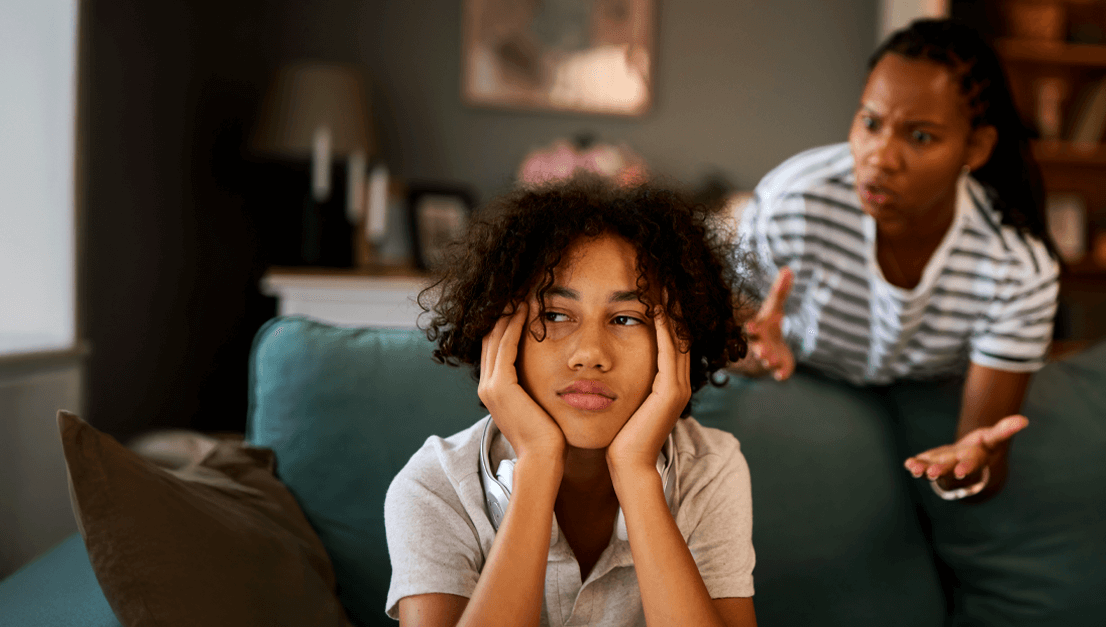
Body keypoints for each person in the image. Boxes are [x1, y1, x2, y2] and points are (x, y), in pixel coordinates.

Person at [384, 178, 758, 626]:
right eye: (556, 315)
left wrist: (637, 473)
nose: (590, 355)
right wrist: (539, 464)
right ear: (502, 336)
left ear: (677, 342)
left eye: (625, 318)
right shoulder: (435, 486)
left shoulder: (710, 468)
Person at [734, 18, 1060, 501]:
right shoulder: (793, 204)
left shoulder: (1016, 268)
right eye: (870, 122)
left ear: (976, 147)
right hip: (804, 382)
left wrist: (966, 467)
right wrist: (751, 356)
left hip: (927, 391)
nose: (880, 157)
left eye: (921, 137)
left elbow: (979, 461)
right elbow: (731, 345)